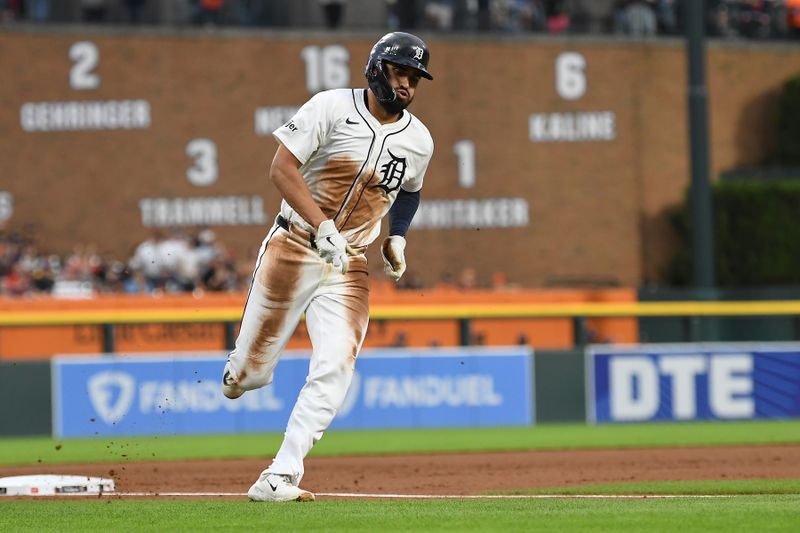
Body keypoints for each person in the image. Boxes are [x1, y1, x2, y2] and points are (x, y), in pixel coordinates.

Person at [221, 31, 434, 502]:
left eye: (414, 78)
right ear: (377, 68)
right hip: (294, 245)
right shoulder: (330, 107)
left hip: (349, 263)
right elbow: (281, 169)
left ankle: (280, 474)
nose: (407, 86)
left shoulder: (419, 139)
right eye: (400, 72)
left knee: (337, 364)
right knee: (248, 378)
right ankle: (237, 370)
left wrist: (398, 235)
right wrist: (321, 226)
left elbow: (411, 189)